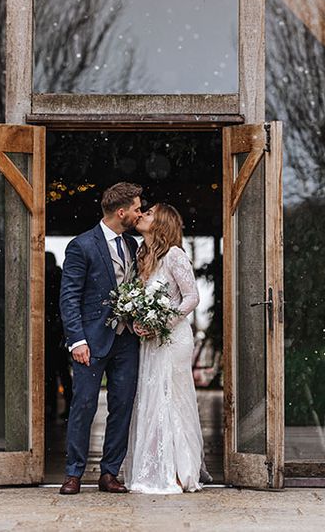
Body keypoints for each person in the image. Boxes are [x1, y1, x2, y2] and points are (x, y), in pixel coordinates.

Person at [58, 182, 143, 495]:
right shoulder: (82, 245)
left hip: (127, 340)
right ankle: (73, 473)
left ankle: (109, 473)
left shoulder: (134, 246)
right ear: (121, 212)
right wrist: (77, 340)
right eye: (136, 208)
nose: (139, 213)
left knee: (122, 406)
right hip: (91, 342)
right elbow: (69, 297)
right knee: (83, 404)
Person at [123, 203, 206, 494]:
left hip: (173, 339)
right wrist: (138, 322)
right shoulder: (144, 256)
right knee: (152, 399)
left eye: (149, 213)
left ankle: (182, 471)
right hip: (151, 341)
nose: (142, 214)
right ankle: (157, 467)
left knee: (171, 400)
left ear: (162, 223)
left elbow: (191, 297)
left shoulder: (174, 255)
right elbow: (140, 301)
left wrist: (162, 322)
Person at [45, 252, 72, 421]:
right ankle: (63, 407)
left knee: (52, 373)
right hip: (58, 331)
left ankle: (52, 408)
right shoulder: (60, 277)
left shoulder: (50, 278)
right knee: (61, 372)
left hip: (53, 332)